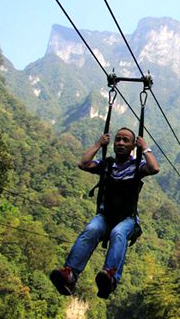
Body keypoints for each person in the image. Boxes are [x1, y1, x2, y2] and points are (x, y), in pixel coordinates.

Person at [50, 127, 160, 299]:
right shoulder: (107, 165)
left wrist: (145, 148)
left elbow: (154, 168)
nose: (121, 143)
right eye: (118, 139)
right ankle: (70, 275)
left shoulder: (137, 166)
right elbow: (83, 164)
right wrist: (98, 144)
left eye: (126, 140)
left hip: (127, 219)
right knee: (91, 230)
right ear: (113, 143)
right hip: (105, 216)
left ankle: (110, 276)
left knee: (118, 233)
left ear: (132, 146)